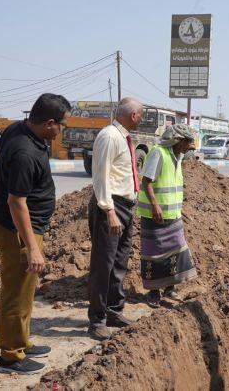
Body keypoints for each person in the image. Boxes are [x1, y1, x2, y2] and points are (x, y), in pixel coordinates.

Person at [0, 93, 71, 374]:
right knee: (16, 291)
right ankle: (10, 357)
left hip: (22, 225)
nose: (63, 130)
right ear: (49, 123)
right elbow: (16, 201)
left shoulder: (18, 129)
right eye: (62, 125)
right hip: (17, 229)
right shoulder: (25, 152)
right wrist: (32, 247)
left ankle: (20, 341)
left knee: (25, 290)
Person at [87, 97, 143, 341]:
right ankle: (97, 320)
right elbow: (100, 177)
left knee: (119, 263)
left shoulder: (122, 137)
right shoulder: (109, 136)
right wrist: (109, 211)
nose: (141, 119)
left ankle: (114, 311)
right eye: (141, 115)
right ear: (133, 116)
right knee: (103, 265)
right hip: (111, 208)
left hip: (125, 207)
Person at [137, 124, 198, 308]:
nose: (190, 148)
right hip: (154, 214)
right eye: (188, 143)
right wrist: (155, 205)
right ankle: (154, 292)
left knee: (175, 249)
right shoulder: (158, 153)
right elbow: (146, 181)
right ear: (179, 141)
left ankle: (170, 288)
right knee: (154, 253)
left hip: (173, 214)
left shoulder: (177, 156)